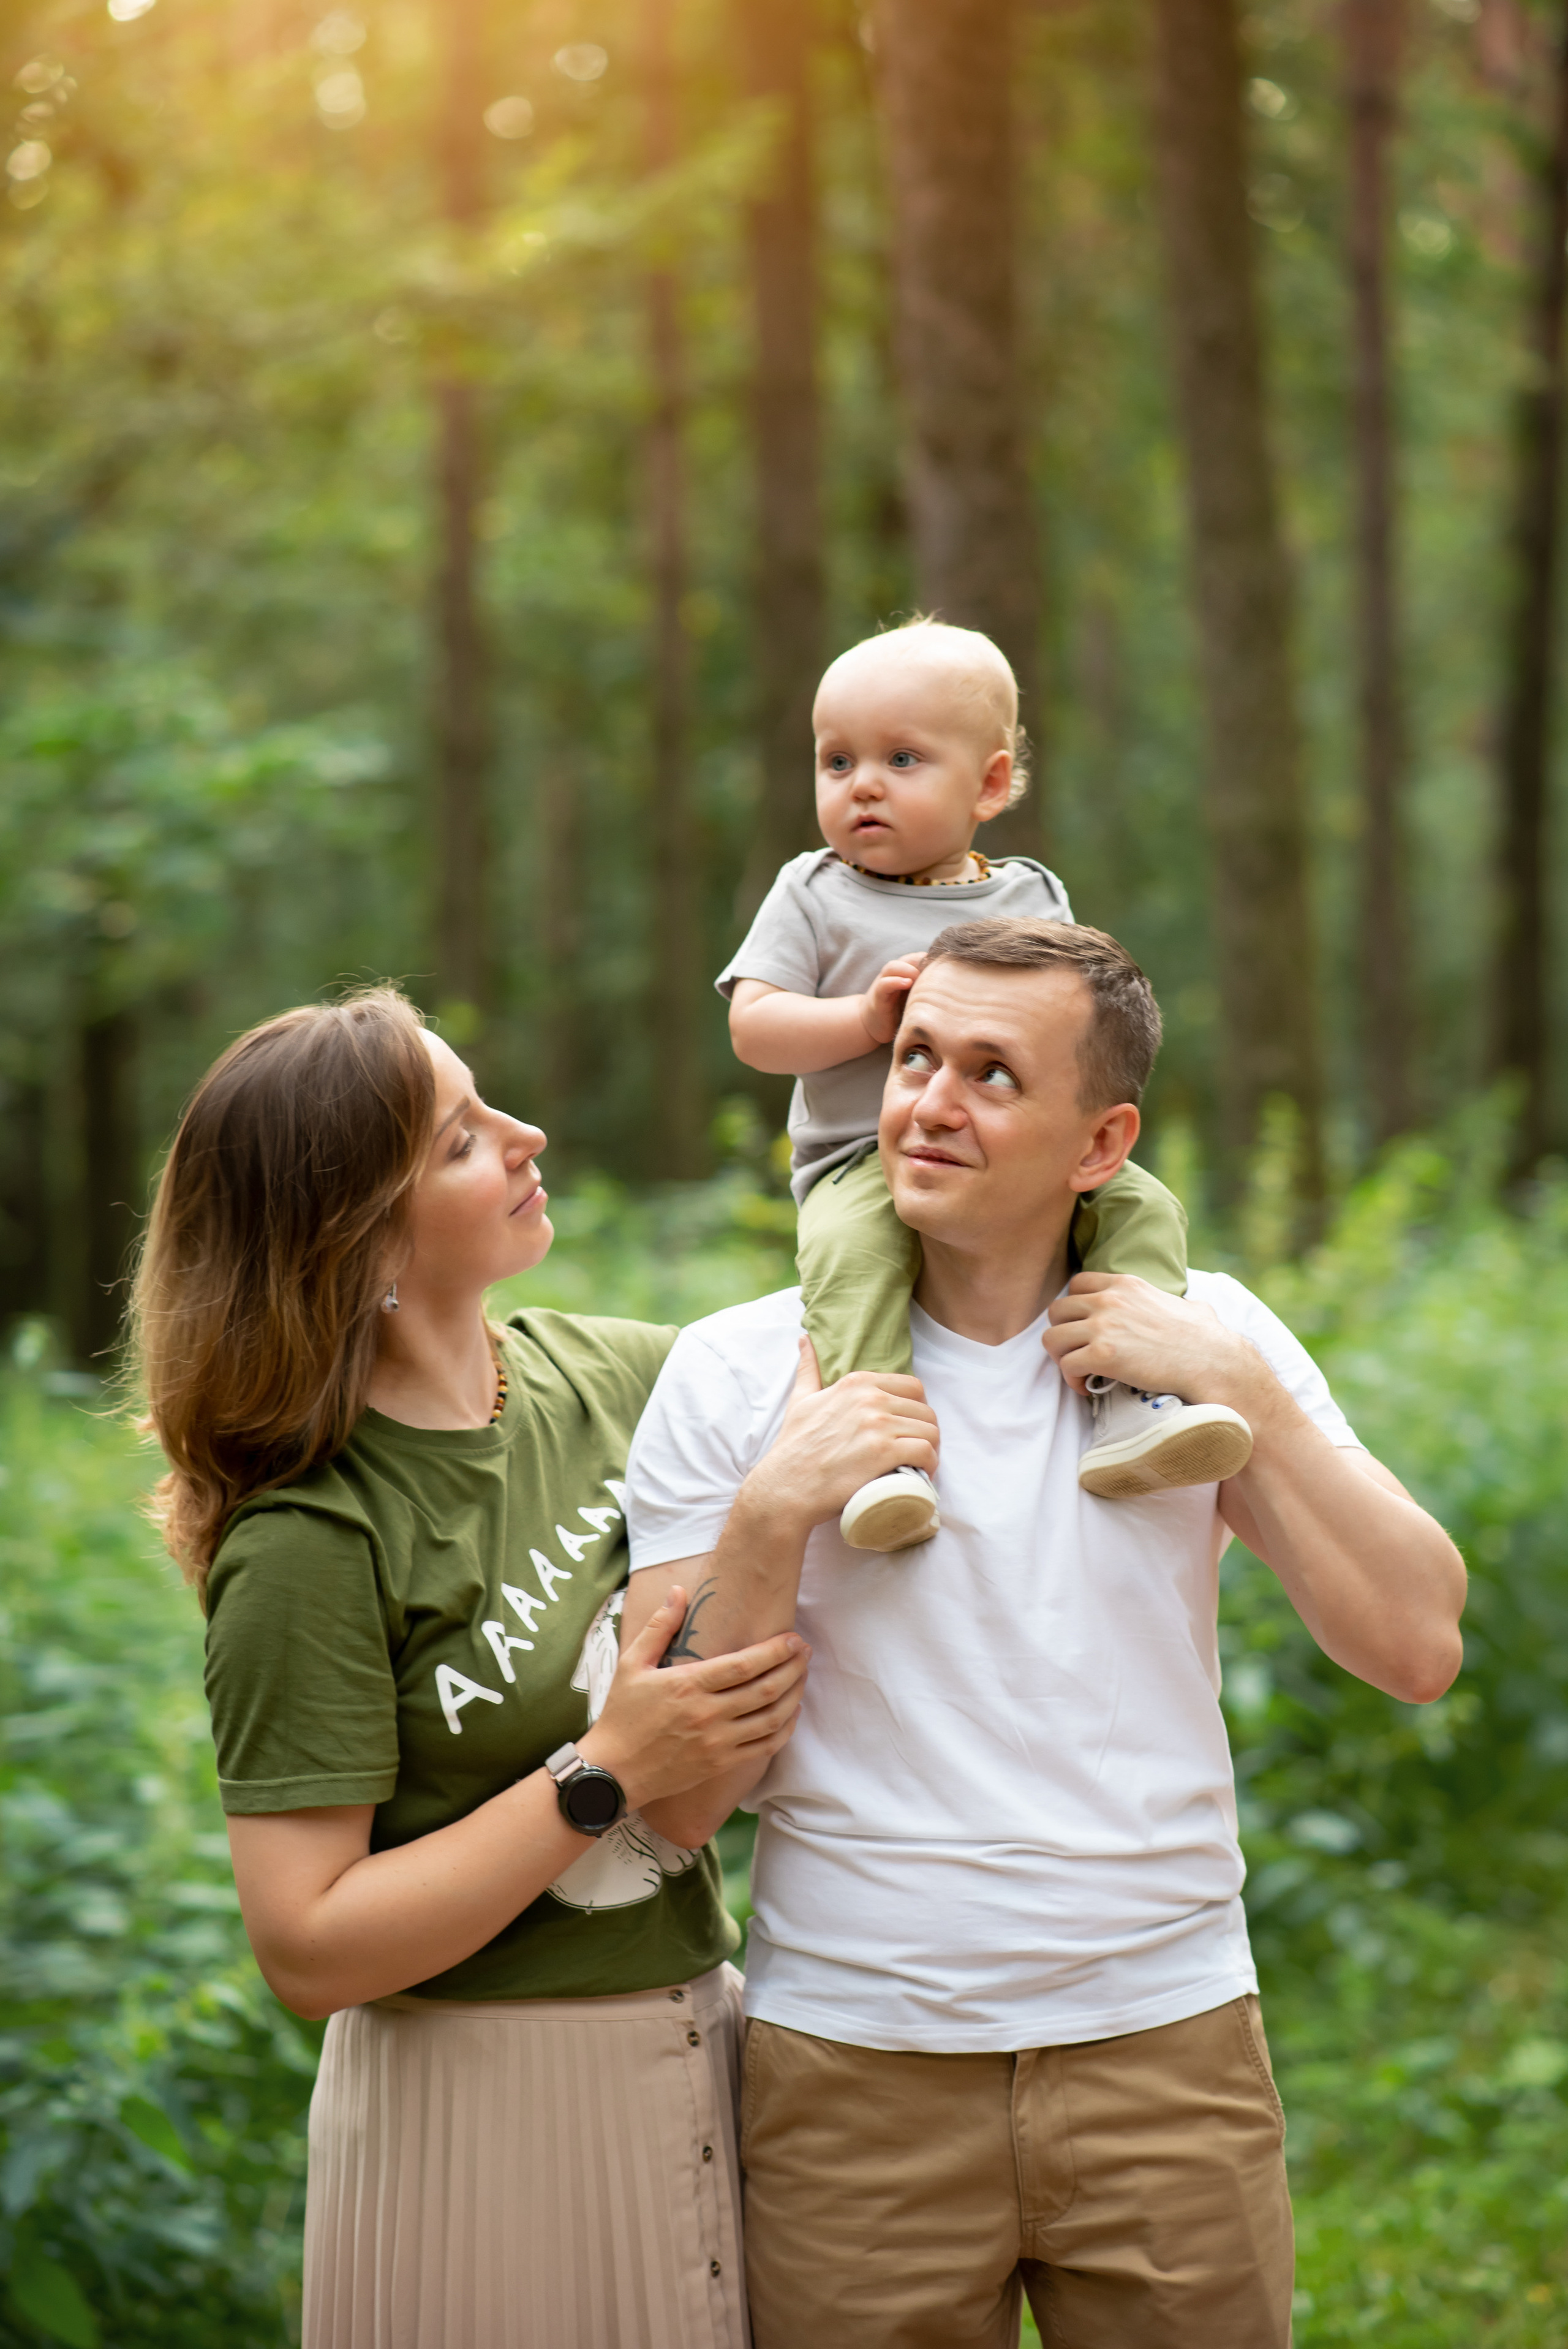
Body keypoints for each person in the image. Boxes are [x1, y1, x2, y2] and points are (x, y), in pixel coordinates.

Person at [619, 918, 1467, 2349]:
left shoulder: (1200, 1348)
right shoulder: (734, 1369)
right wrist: (770, 1519)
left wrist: (1241, 1395)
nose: (926, 1104)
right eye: (911, 1058)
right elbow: (684, 1803)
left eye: (991, 1075)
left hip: (1167, 2046)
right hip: (852, 2067)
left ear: (1100, 1141)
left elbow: (1414, 1645)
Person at [130, 986, 811, 2349]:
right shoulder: (311, 1537)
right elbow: (307, 1944)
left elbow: (846, 1371)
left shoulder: (612, 1379)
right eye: (458, 1140)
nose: (525, 1134)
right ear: (355, 1237)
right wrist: (601, 1774)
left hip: (697, 2047)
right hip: (479, 2117)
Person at [721, 616, 1250, 1554]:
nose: (864, 786)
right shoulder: (812, 891)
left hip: (1017, 1156)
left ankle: (1134, 1395)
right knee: (853, 1259)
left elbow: (1073, 1029)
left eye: (902, 759)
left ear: (992, 783)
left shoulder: (1033, 895)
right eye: (836, 762)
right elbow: (754, 1027)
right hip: (864, 1160)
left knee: (1143, 1206)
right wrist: (862, 1019)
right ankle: (880, 1451)